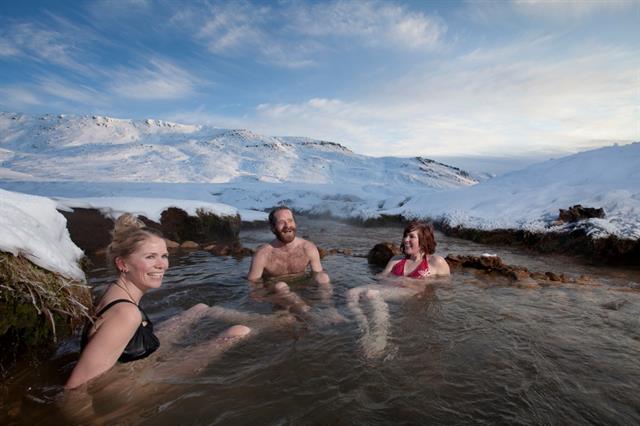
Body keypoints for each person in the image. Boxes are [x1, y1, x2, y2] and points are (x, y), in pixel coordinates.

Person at [65, 213, 252, 390]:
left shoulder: (114, 291)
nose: (162, 265)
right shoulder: (126, 314)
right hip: (130, 386)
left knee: (199, 308)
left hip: (130, 364)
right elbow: (75, 388)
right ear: (122, 264)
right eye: (150, 257)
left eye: (164, 256)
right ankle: (276, 323)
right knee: (239, 332)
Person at [347, 221, 450, 359]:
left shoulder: (436, 262)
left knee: (371, 294)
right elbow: (380, 279)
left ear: (423, 240)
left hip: (415, 294)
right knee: (351, 292)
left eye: (411, 237)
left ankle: (379, 339)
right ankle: (364, 327)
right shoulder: (397, 260)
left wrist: (422, 281)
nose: (406, 240)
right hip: (393, 289)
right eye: (405, 236)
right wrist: (393, 279)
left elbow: (447, 286)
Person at [247, 206, 333, 316]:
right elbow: (253, 287)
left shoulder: (308, 247)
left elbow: (318, 273)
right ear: (273, 228)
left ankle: (330, 309)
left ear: (295, 224)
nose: (287, 226)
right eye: (281, 222)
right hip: (277, 291)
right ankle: (306, 311)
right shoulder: (263, 254)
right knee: (281, 286)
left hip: (302, 285)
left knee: (323, 277)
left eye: (290, 220)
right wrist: (268, 298)